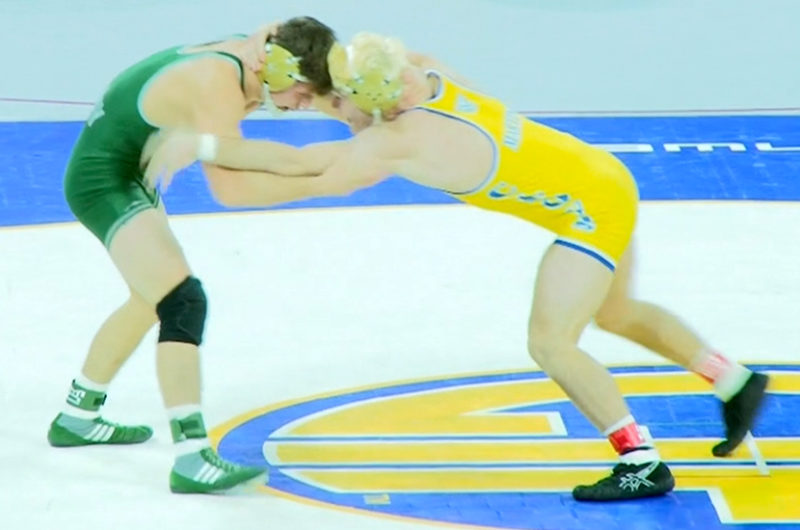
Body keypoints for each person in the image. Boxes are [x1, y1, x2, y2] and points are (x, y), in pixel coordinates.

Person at [145, 33, 770, 501]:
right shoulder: (424, 69)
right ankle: (732, 380)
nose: (338, 111)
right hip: (602, 177)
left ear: (371, 101)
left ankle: (640, 461)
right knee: (616, 311)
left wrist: (204, 146)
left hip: (588, 211)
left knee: (551, 341)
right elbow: (363, 86)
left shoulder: (398, 140)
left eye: (340, 105)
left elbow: (312, 170)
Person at [47, 16, 338, 495]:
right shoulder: (217, 83)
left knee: (149, 298)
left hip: (125, 169)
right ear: (281, 69)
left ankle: (78, 415)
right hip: (104, 182)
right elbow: (232, 189)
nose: (307, 105)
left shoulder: (256, 53)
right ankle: (191, 457)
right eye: (304, 93)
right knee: (182, 301)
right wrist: (322, 177)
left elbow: (282, 33)